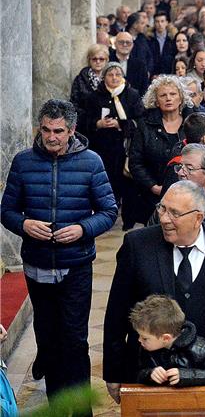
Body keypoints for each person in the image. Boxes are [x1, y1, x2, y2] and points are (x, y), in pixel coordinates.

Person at [1, 99, 117, 407]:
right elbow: (7, 211)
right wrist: (25, 224)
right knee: (49, 339)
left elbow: (108, 210)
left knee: (75, 341)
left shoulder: (91, 161)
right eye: (46, 130)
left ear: (72, 131)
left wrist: (82, 229)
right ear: (38, 128)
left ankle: (80, 409)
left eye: (59, 131)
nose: (52, 137)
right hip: (37, 264)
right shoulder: (24, 161)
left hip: (75, 264)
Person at [103, 181, 205, 402]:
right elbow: (117, 314)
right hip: (152, 377)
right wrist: (113, 372)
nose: (164, 218)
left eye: (175, 213)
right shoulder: (137, 245)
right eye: (162, 208)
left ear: (199, 217)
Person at [128, 75, 197, 223]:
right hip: (153, 197)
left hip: (189, 194)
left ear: (181, 98)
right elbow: (136, 162)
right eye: (163, 95)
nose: (168, 98)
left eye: (173, 94)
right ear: (156, 101)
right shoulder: (144, 126)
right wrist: (153, 186)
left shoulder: (192, 123)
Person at [85, 62, 145, 229]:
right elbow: (85, 121)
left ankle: (128, 221)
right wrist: (98, 124)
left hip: (125, 148)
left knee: (127, 185)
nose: (114, 78)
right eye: (110, 75)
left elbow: (140, 120)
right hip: (102, 148)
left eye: (118, 75)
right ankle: (103, 218)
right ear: (104, 77)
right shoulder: (94, 96)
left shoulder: (132, 95)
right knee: (104, 185)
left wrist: (121, 125)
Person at [129, 295, 205, 387]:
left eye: (145, 338)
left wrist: (186, 376)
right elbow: (137, 373)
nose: (139, 340)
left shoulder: (202, 348)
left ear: (165, 338)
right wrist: (150, 374)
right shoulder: (146, 349)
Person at [71, 44, 110, 133]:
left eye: (101, 59)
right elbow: (74, 104)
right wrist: (93, 121)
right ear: (89, 60)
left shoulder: (112, 78)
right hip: (86, 126)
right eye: (94, 59)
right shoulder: (80, 79)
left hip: (108, 126)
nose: (98, 62)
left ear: (106, 60)